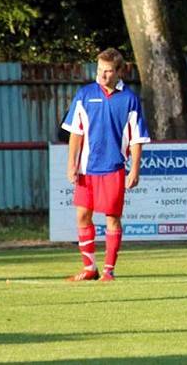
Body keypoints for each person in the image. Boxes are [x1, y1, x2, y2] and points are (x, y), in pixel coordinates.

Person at [62, 48, 150, 282]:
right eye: (100, 70)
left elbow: (136, 139)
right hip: (86, 169)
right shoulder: (85, 94)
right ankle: (90, 268)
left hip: (113, 168)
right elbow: (75, 133)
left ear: (120, 71)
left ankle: (109, 270)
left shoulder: (129, 99)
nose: (102, 75)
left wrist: (135, 169)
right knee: (82, 216)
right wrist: (71, 163)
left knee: (112, 217)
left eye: (108, 71)